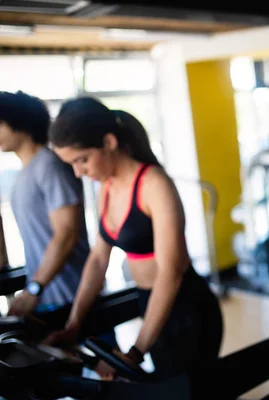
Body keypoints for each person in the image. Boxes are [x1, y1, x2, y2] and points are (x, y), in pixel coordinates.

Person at [44, 97, 223, 379]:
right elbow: (98, 258)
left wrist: (136, 351)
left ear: (109, 142)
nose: (78, 172)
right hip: (148, 301)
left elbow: (170, 273)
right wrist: (74, 323)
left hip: (185, 307)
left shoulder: (154, 185)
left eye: (82, 160)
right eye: (72, 165)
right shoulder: (107, 185)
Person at [0, 91, 90, 315]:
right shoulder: (25, 172)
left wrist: (34, 289)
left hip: (72, 297)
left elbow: (66, 234)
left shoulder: (49, 166)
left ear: (18, 123)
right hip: (47, 297)